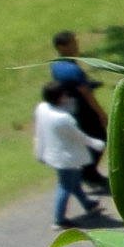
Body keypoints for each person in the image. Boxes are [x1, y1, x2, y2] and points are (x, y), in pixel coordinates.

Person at [35, 87, 112, 232]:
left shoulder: (42, 108)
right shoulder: (63, 119)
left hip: (55, 155)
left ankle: (88, 204)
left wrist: (39, 151)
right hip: (67, 158)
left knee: (74, 182)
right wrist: (97, 144)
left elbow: (39, 132)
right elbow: (79, 137)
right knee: (65, 186)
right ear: (58, 98)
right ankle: (59, 220)